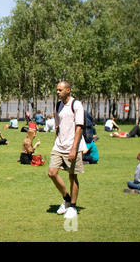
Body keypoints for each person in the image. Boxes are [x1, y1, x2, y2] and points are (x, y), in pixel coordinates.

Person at [48, 81, 86, 219]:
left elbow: (79, 128)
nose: (58, 92)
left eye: (60, 90)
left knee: (72, 176)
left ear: (68, 90)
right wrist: (56, 140)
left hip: (72, 146)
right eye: (57, 90)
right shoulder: (58, 105)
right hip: (59, 145)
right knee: (52, 173)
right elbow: (57, 125)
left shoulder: (76, 105)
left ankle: (73, 207)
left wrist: (74, 149)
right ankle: (67, 198)